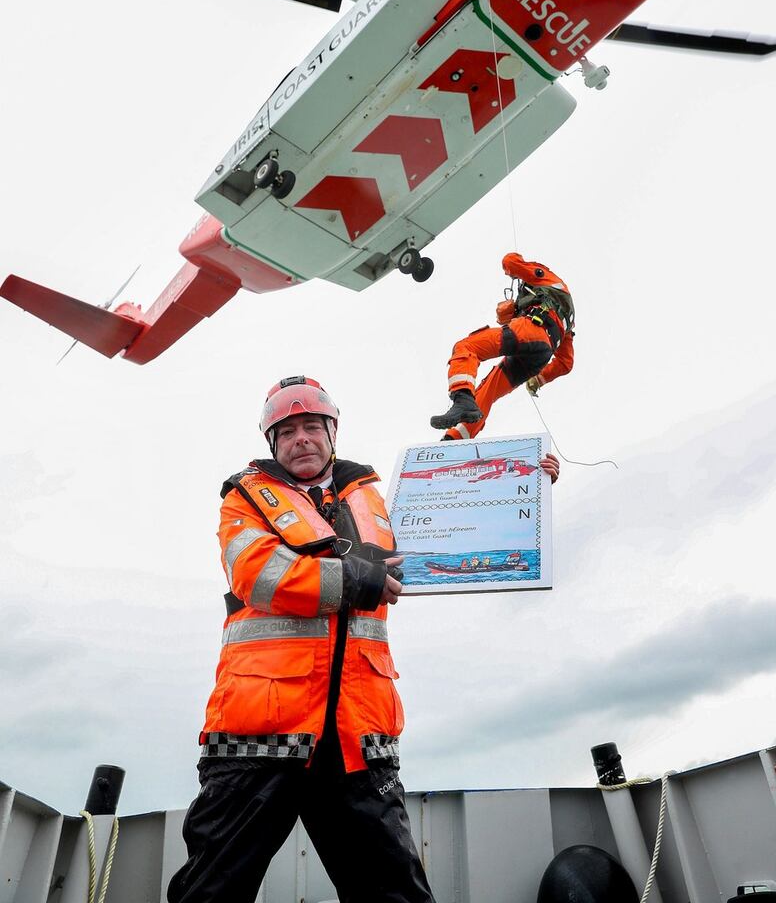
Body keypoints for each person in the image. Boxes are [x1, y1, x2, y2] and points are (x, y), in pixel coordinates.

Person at [168, 375, 436, 903]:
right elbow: (256, 573)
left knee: (395, 893)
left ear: (332, 433)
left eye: (312, 426)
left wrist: (526, 482)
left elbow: (452, 512)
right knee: (212, 891)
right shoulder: (244, 498)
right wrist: (353, 578)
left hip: (357, 738)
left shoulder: (375, 498)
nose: (302, 439)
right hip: (260, 735)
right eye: (287, 432)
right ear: (273, 444)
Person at [430, 253, 575, 440]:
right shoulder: (567, 318)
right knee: (488, 390)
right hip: (539, 356)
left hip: (531, 330)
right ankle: (454, 439)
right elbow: (566, 363)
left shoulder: (546, 278)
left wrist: (518, 267)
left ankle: (461, 397)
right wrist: (539, 379)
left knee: (467, 347)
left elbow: (510, 261)